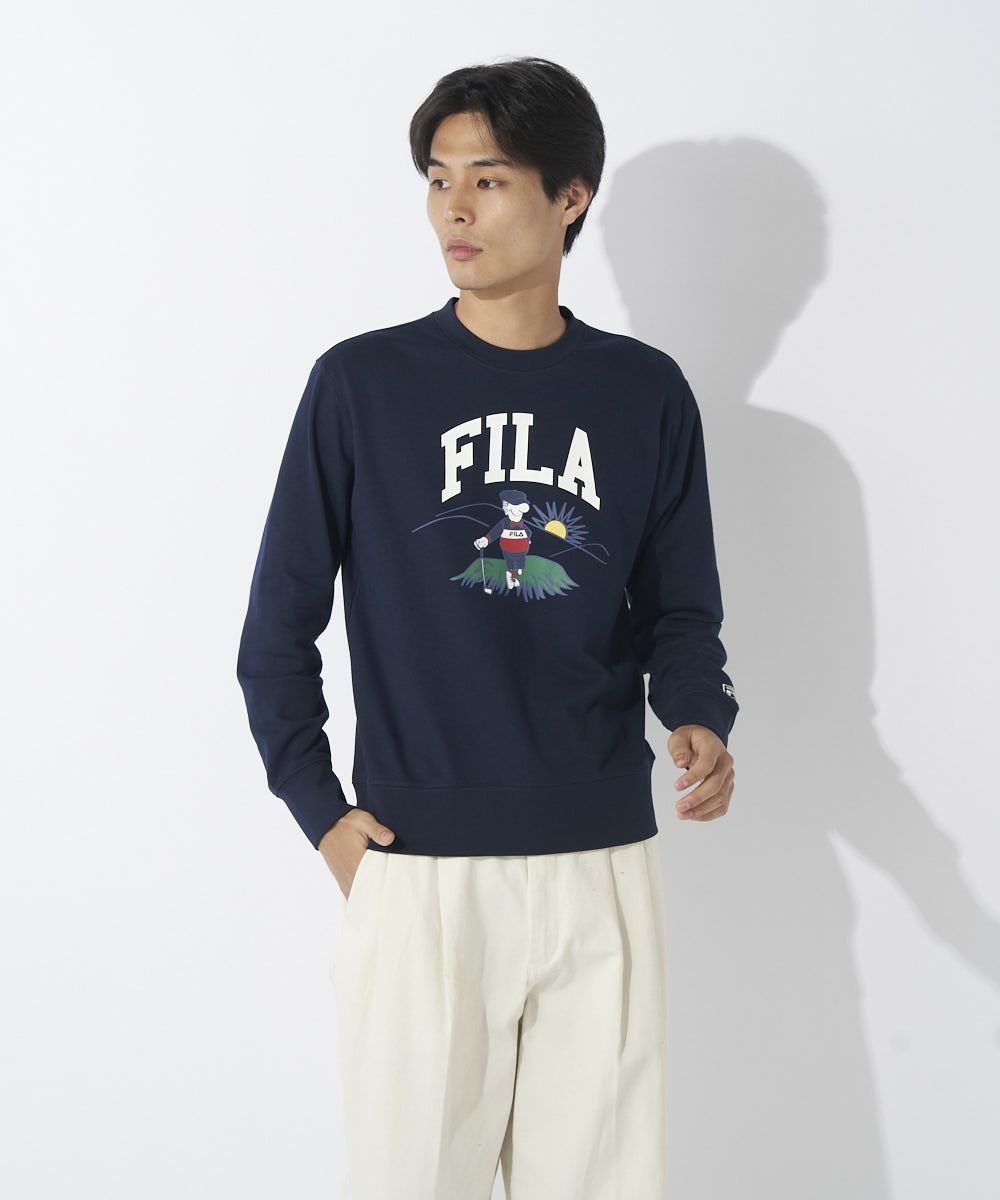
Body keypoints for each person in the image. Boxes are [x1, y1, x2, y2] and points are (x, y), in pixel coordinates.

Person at [236, 55, 739, 1200]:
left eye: (490, 179)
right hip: (416, 866)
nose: (453, 209)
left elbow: (679, 607)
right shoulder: (363, 385)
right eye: (437, 178)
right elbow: (275, 631)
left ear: (571, 197)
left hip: (600, 861)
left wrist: (699, 715)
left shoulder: (644, 392)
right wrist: (322, 817)